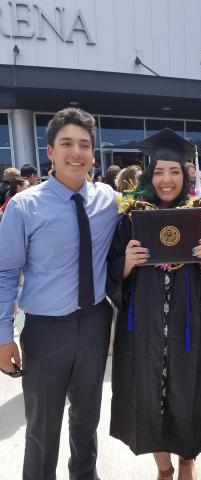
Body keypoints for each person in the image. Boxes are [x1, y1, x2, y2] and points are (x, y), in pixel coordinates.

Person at [0, 107, 119, 480]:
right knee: (42, 427)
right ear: (49, 151)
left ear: (93, 154)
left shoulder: (110, 201)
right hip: (45, 331)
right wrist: (3, 336)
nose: (76, 152)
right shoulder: (24, 206)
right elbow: (4, 274)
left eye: (85, 144)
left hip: (95, 323)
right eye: (66, 143)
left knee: (86, 420)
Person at [107, 128, 201, 480]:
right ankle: (164, 469)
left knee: (189, 394)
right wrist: (126, 262)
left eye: (174, 171)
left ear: (185, 175)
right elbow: (110, 273)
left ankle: (187, 462)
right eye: (158, 171)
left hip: (189, 329)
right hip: (144, 330)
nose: (166, 179)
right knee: (149, 398)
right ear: (149, 175)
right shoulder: (130, 217)